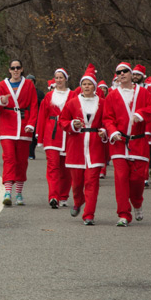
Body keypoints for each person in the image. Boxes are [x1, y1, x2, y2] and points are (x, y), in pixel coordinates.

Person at [102, 61, 151, 226]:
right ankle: (123, 215)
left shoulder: (144, 92)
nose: (121, 74)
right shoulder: (112, 95)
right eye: (118, 72)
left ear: (131, 73)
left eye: (125, 71)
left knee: (137, 180)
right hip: (119, 144)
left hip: (138, 142)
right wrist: (113, 132)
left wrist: (140, 114)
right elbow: (107, 118)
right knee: (120, 179)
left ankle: (137, 203)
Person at [60, 65, 108, 225]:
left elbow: (107, 121)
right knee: (77, 182)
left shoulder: (102, 103)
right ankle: (78, 201)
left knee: (92, 181)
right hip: (76, 146)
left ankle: (89, 215)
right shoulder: (72, 103)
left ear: (95, 86)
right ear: (81, 86)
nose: (87, 87)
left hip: (95, 146)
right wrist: (73, 125)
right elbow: (63, 121)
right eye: (84, 84)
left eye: (90, 84)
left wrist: (104, 131)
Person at [0, 59, 38, 205]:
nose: (16, 70)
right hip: (7, 126)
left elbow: (34, 105)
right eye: (13, 68)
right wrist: (1, 101)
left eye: (18, 68)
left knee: (21, 161)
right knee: (9, 158)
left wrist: (31, 123)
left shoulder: (29, 85)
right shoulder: (1, 85)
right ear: (9, 70)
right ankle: (7, 192)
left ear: (22, 69)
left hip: (24, 127)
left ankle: (19, 193)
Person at [36, 68, 72, 209]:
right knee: (53, 166)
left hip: (68, 135)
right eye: (56, 77)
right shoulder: (49, 96)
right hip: (52, 134)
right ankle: (53, 196)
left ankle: (63, 196)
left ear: (65, 79)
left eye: (61, 77)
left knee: (66, 168)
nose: (58, 80)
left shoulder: (73, 95)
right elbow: (42, 116)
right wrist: (40, 135)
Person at [26, 74, 45, 160]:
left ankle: (31, 152)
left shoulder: (39, 93)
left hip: (37, 117)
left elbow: (44, 104)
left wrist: (37, 100)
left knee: (34, 137)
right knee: (28, 136)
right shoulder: (23, 92)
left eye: (32, 81)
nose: (30, 83)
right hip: (26, 116)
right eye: (28, 81)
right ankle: (30, 154)